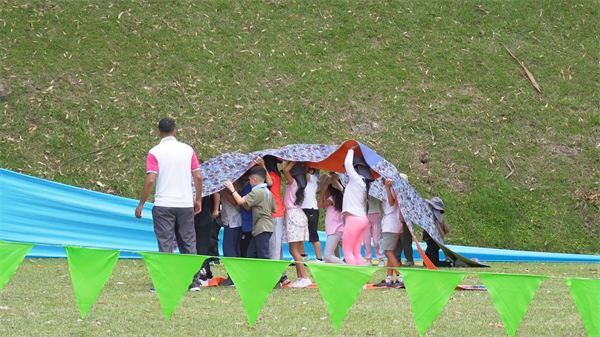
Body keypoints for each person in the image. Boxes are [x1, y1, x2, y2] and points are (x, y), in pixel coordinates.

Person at [135, 118, 202, 292]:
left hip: (164, 204)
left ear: (158, 133)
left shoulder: (155, 152)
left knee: (165, 243)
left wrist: (141, 203)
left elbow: (151, 179)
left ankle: (165, 282)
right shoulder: (188, 150)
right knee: (188, 242)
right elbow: (198, 176)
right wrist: (198, 199)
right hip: (185, 204)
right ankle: (193, 282)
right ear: (175, 131)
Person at [225, 165, 276, 263]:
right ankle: (255, 276)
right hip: (263, 227)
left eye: (250, 180)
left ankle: (267, 277)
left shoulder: (257, 192)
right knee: (251, 254)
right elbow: (274, 209)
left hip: (262, 227)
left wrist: (232, 189)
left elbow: (240, 201)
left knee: (263, 256)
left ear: (255, 179)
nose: (249, 183)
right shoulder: (268, 192)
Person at [341, 145, 373, 265]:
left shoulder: (356, 180)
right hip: (360, 219)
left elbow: (348, 165)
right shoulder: (363, 183)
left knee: (347, 250)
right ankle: (362, 283)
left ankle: (353, 279)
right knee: (356, 251)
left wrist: (351, 150)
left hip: (353, 219)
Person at [282, 161, 312, 288]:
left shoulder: (293, 184)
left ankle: (304, 277)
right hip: (298, 216)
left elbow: (285, 171)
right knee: (295, 250)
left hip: (293, 217)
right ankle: (300, 277)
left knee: (294, 250)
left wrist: (292, 160)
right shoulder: (299, 185)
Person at [263, 155, 291, 286]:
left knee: (273, 246)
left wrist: (262, 166)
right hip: (279, 211)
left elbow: (269, 183)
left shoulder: (272, 174)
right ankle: (282, 275)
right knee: (277, 246)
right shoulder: (276, 173)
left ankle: (274, 280)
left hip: (274, 213)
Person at [374, 178, 404, 287]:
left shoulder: (392, 189)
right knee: (390, 252)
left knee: (388, 252)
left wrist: (387, 187)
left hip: (391, 224)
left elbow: (392, 203)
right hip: (391, 223)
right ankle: (389, 278)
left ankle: (400, 278)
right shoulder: (390, 190)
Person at [318, 173, 345, 264]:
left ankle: (345, 266)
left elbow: (319, 205)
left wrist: (323, 191)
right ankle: (344, 263)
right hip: (335, 229)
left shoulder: (331, 199)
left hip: (335, 229)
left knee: (327, 255)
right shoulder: (335, 198)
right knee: (328, 255)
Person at [301, 167, 323, 262]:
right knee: (299, 234)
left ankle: (319, 258)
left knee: (313, 234)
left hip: (311, 209)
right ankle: (302, 255)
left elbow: (304, 174)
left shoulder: (313, 178)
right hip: (302, 208)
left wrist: (303, 166)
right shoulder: (302, 181)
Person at [423, 197, 452, 267]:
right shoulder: (434, 218)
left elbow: (440, 232)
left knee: (433, 263)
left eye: (430, 206)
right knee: (425, 262)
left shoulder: (435, 220)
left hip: (433, 243)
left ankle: (450, 264)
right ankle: (448, 263)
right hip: (431, 242)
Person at [394, 174, 415, 266]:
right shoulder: (397, 192)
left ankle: (409, 260)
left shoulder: (408, 193)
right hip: (396, 219)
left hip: (404, 220)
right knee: (397, 240)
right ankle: (397, 259)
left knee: (405, 241)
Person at [363, 196, 385, 266]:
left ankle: (380, 258)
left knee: (376, 240)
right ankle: (368, 259)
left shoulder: (378, 189)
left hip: (376, 214)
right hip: (365, 215)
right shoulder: (364, 188)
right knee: (366, 240)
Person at [238, 172, 253, 257]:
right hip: (252, 224)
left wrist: (236, 195)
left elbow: (248, 207)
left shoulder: (248, 188)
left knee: (246, 252)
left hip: (248, 225)